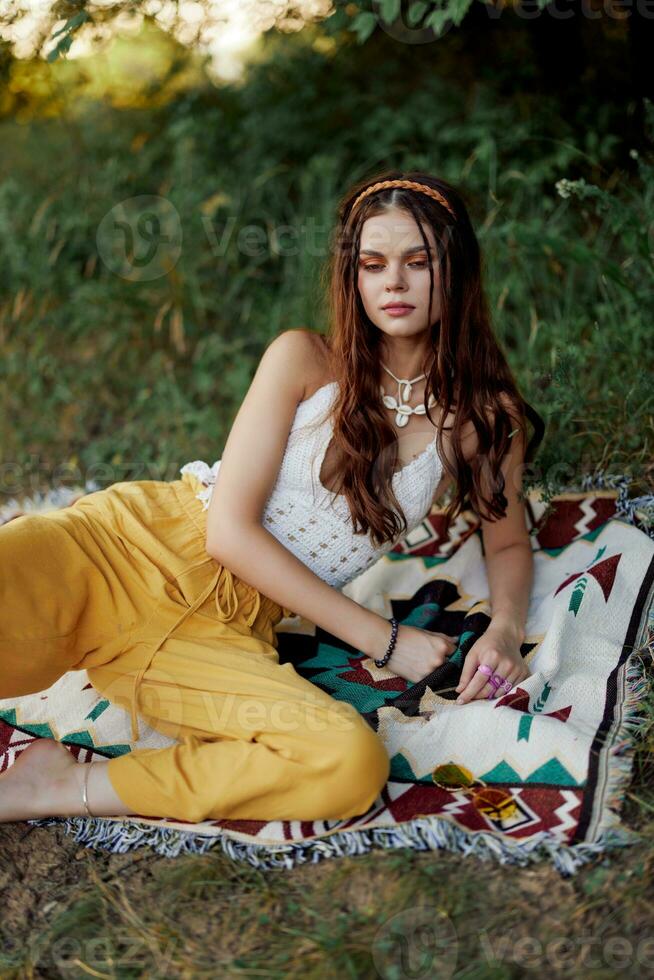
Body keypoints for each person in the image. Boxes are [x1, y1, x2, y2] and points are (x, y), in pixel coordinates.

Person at [0, 170, 545, 824]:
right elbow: (227, 532)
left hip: (221, 630)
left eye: (417, 262)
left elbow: (508, 539)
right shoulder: (306, 359)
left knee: (345, 762)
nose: (393, 282)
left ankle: (52, 789)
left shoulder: (479, 419)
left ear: (454, 269)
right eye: (373, 264)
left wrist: (505, 630)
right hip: (117, 547)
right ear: (354, 277)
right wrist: (385, 638)